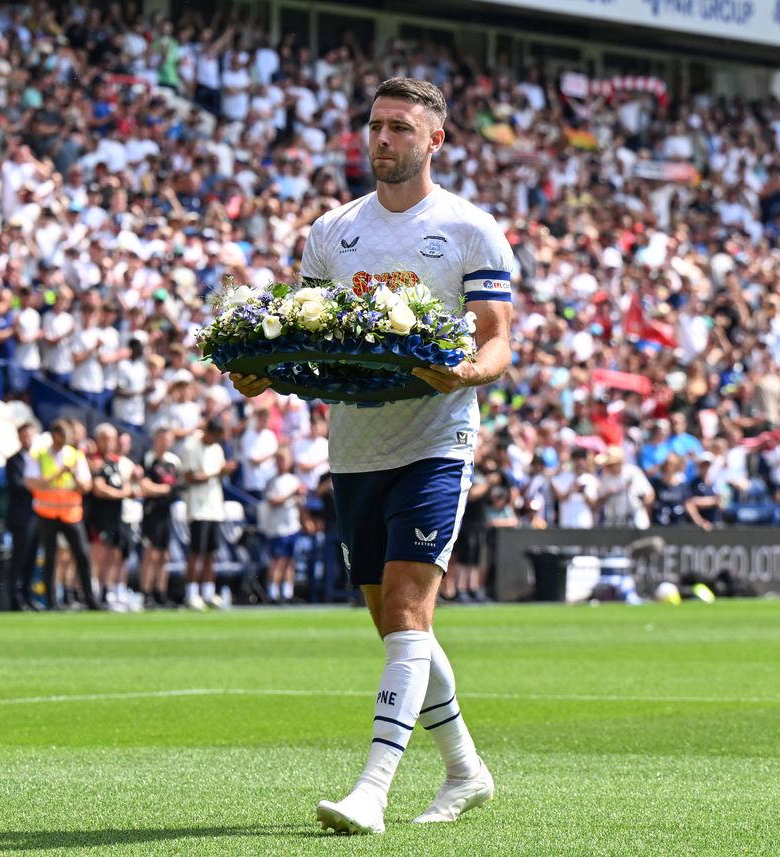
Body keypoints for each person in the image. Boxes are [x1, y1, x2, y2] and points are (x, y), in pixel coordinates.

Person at [229, 78, 512, 835]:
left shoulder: (469, 228)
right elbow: (312, 339)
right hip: (354, 446)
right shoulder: (332, 231)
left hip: (436, 443)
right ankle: (465, 769)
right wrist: (270, 371)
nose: (382, 139)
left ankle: (372, 789)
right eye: (375, 126)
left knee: (409, 609)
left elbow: (495, 342)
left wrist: (461, 373)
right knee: (395, 625)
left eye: (399, 128)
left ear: (434, 140)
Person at [24, 418, 99, 610]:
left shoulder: (75, 456)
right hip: (47, 513)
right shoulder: (39, 455)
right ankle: (51, 601)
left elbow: (86, 486)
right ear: (53, 436)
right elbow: (32, 483)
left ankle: (90, 598)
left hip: (70, 513)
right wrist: (58, 473)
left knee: (82, 555)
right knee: (50, 557)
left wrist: (72, 474)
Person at [180, 418, 232, 611]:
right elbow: (189, 476)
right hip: (197, 508)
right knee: (196, 552)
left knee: (211, 552)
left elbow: (217, 472)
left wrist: (222, 472)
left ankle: (208, 593)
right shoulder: (191, 446)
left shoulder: (216, 449)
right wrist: (215, 473)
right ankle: (191, 593)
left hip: (214, 507)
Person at [86, 423, 131, 611]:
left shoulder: (115, 461)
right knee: (98, 555)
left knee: (113, 555)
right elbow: (99, 489)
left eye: (112, 438)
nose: (109, 442)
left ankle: (107, 591)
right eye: (105, 438)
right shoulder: (94, 461)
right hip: (99, 516)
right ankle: (92, 593)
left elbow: (127, 486)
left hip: (116, 515)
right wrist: (119, 494)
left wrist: (121, 492)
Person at [138, 426, 180, 608]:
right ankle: (146, 592)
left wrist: (167, 491)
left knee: (164, 554)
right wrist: (162, 490)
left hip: (166, 511)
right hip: (152, 511)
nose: (165, 442)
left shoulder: (173, 461)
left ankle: (160, 591)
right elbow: (144, 485)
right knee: (151, 553)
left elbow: (177, 484)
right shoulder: (148, 459)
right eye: (162, 438)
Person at [260, 447, 303, 604]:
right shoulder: (272, 481)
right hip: (277, 528)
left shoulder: (294, 479)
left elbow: (299, 504)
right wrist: (292, 494)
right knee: (278, 560)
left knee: (290, 560)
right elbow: (274, 501)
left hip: (292, 524)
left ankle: (287, 592)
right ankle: (273, 592)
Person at [6, 422, 39, 610]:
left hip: (36, 515)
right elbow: (17, 485)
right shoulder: (14, 460)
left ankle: (28, 594)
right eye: (25, 435)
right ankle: (15, 598)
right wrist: (36, 484)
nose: (28, 439)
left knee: (32, 557)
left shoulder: (37, 460)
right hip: (21, 517)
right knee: (20, 557)